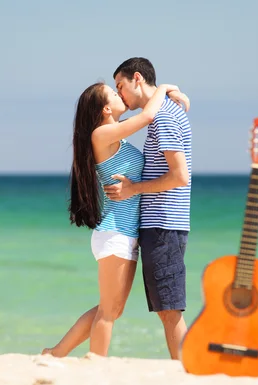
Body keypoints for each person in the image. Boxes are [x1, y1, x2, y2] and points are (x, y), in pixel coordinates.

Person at [42, 80, 189, 357]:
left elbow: (146, 115)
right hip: (115, 233)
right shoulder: (102, 134)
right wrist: (166, 87)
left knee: (110, 310)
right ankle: (95, 364)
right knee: (109, 312)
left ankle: (55, 353)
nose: (119, 93)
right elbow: (147, 116)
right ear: (106, 108)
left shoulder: (115, 136)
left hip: (125, 234)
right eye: (113, 91)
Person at [103, 57, 192, 360]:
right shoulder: (164, 112)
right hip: (164, 225)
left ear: (136, 78)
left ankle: (186, 372)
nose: (120, 95)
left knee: (169, 309)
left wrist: (132, 189)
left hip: (164, 225)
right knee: (168, 308)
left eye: (120, 86)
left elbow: (180, 176)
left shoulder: (164, 118)